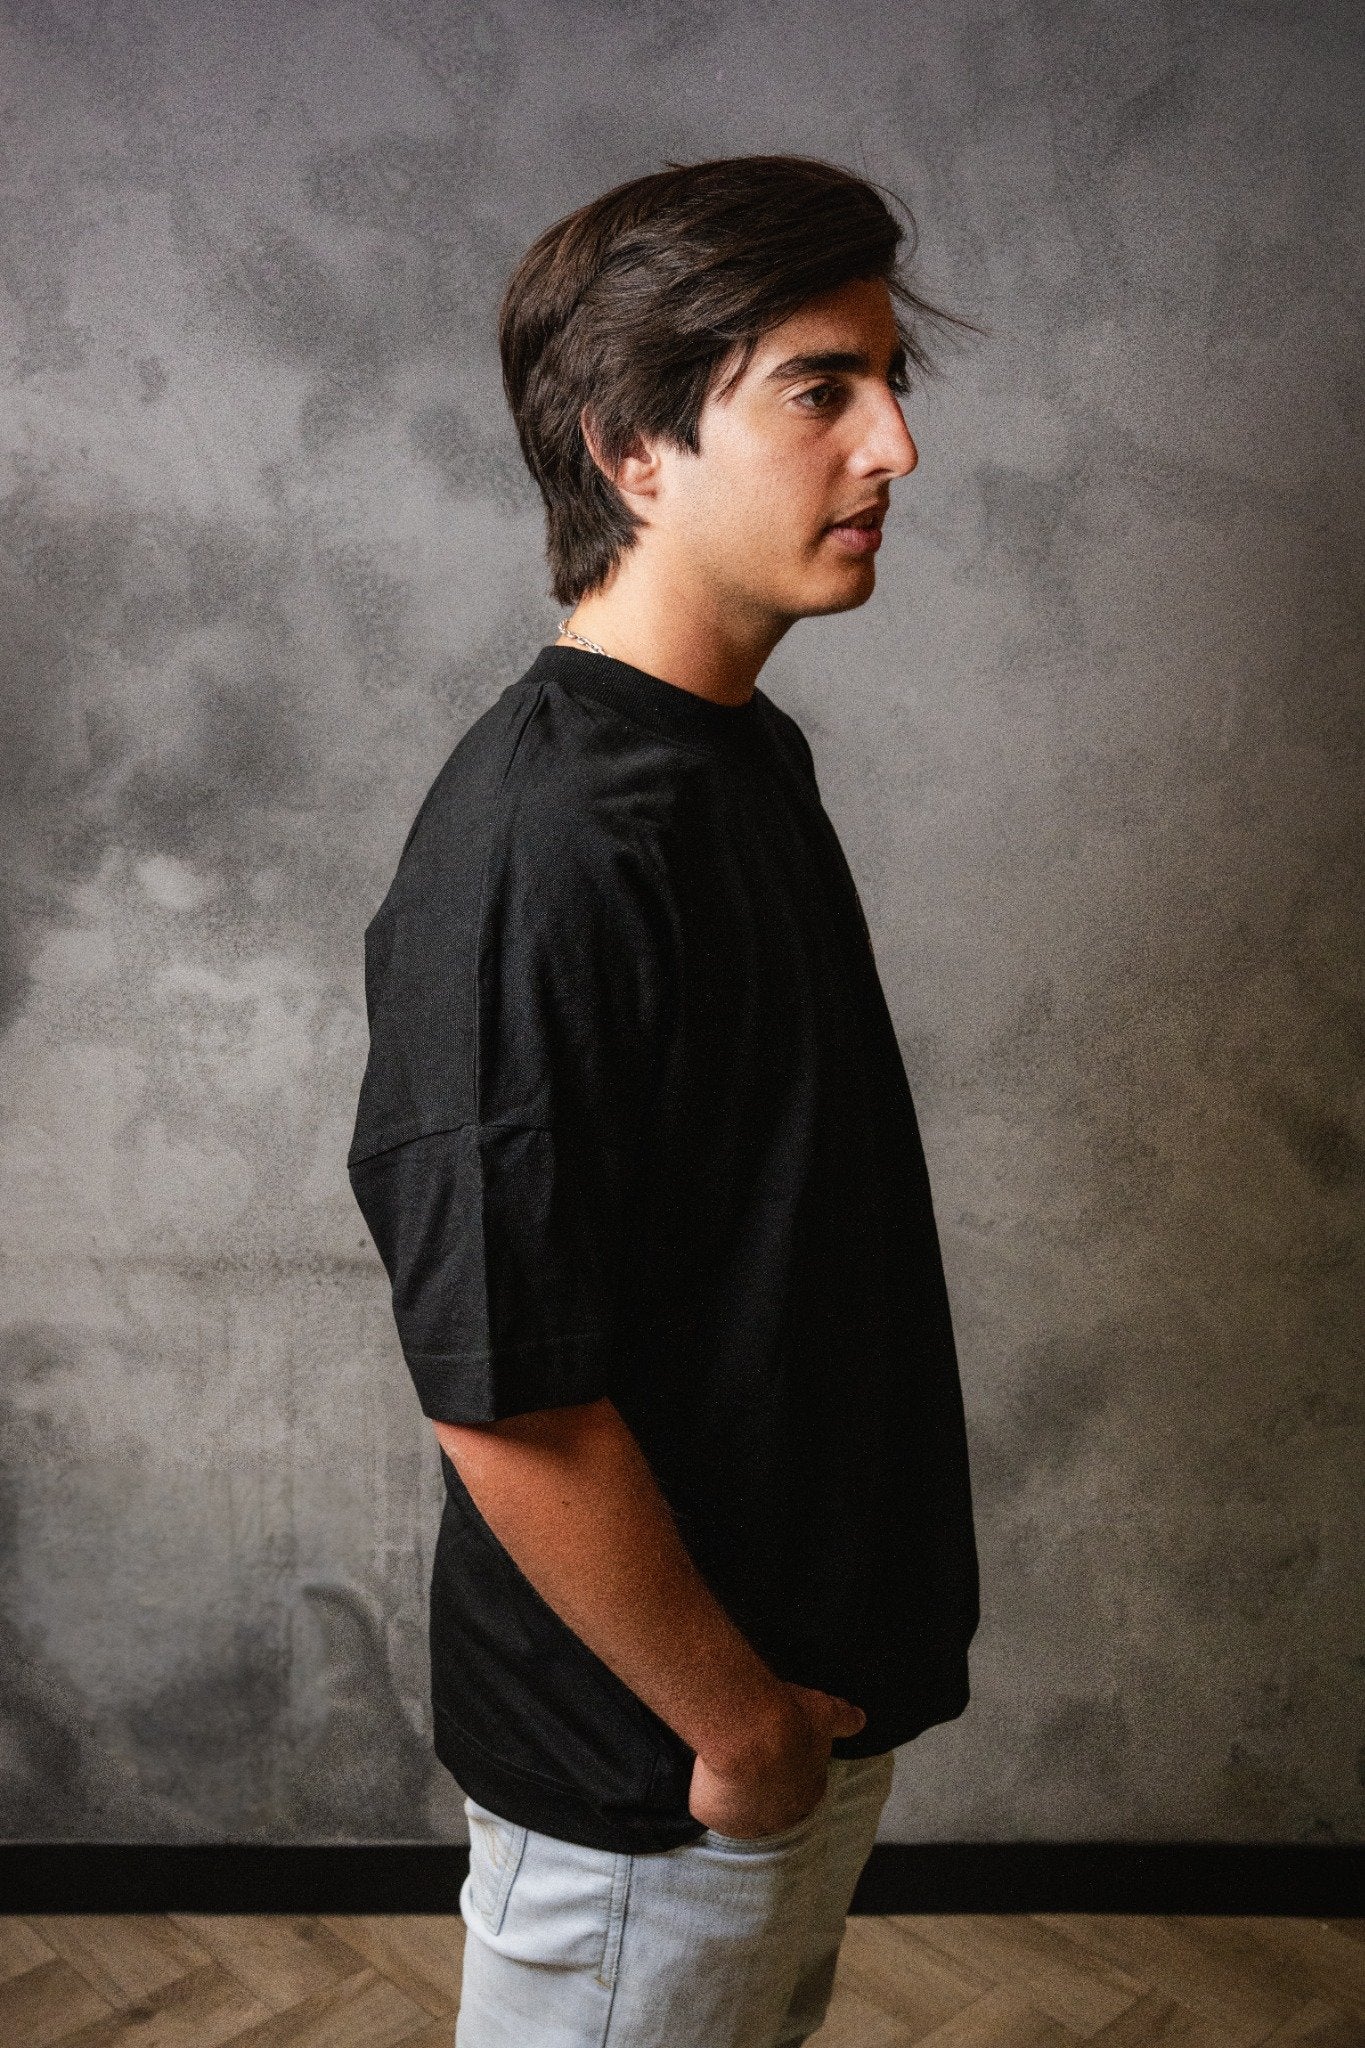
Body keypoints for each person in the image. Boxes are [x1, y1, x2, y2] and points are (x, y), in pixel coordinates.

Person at [348, 153, 981, 2048]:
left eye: (889, 382)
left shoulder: (732, 753)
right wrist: (735, 1724)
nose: (893, 446)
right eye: (819, 390)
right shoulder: (541, 846)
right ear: (632, 452)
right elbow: (505, 1387)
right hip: (664, 1775)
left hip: (783, 1718)